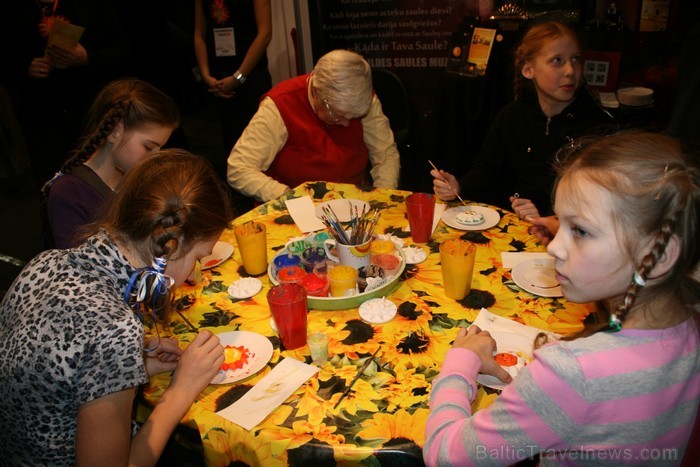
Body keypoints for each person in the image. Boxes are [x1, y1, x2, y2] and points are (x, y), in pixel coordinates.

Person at [424, 131, 700, 465]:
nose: (554, 246)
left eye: (581, 231)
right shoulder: (689, 325)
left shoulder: (570, 374)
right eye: (562, 223)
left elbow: (445, 455)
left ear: (658, 256)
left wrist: (460, 363)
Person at [0, 149, 232, 465]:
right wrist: (182, 389)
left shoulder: (46, 261)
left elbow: (57, 374)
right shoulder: (115, 328)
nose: (193, 273)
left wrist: (134, 367)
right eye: (198, 258)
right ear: (171, 245)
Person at [431, 21, 616, 218]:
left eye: (575, 59)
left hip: (567, 238)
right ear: (528, 70)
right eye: (557, 60)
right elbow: (488, 171)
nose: (570, 70)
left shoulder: (597, 128)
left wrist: (548, 219)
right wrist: (458, 186)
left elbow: (600, 205)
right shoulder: (511, 116)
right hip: (512, 231)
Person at [227, 49, 401, 203]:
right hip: (297, 209)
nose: (347, 123)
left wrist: (382, 199)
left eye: (354, 117)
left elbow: (385, 155)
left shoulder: (360, 100)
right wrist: (289, 196)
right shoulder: (280, 105)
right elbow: (238, 168)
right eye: (338, 116)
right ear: (317, 93)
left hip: (353, 202)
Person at [0, 0, 131, 186]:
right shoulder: (12, 9)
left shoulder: (91, 4)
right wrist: (26, 70)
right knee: (56, 183)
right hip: (43, 116)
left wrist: (88, 58)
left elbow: (124, 50)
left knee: (107, 181)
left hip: (94, 109)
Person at [45, 78, 180, 249]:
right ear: (115, 131)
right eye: (148, 147)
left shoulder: (135, 176)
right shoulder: (69, 192)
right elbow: (79, 267)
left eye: (160, 148)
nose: (155, 157)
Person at [194, 0, 273, 180]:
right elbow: (199, 35)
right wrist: (206, 75)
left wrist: (238, 77)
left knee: (259, 147)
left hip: (252, 78)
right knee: (229, 148)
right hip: (218, 80)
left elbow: (265, 34)